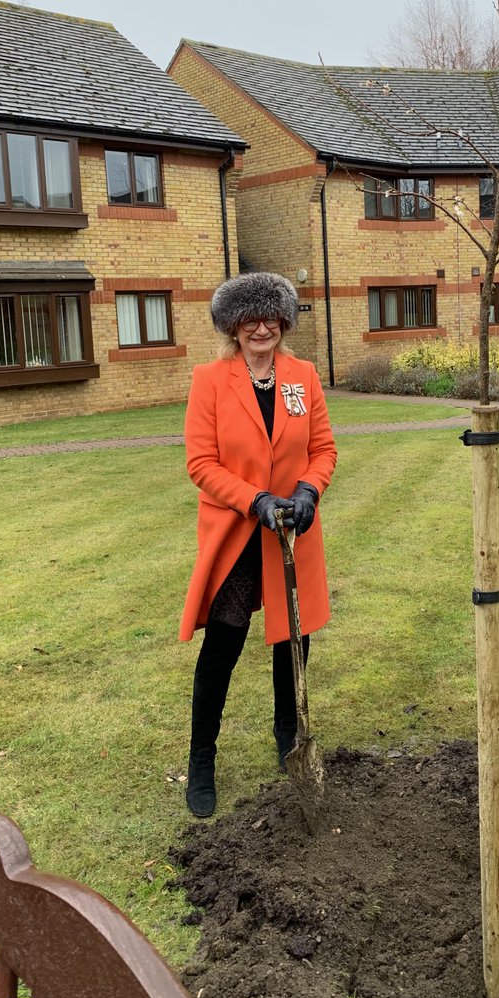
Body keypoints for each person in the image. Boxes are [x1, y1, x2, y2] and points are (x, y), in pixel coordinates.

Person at [179, 272, 337, 816]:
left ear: (285, 322)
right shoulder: (210, 380)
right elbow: (201, 464)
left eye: (271, 317)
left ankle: (288, 738)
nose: (262, 327)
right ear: (233, 326)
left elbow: (323, 448)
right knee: (222, 645)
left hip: (292, 531)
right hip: (239, 531)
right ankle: (202, 759)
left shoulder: (303, 377)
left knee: (291, 641)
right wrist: (255, 500)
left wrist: (310, 488)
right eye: (251, 319)